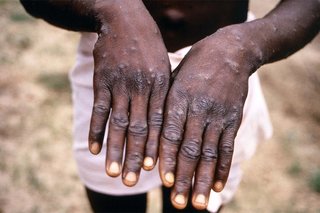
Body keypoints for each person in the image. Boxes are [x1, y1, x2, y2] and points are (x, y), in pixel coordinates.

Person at [20, 0, 319, 212]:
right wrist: (110, 7)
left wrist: (245, 47)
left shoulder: (235, 56)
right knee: (112, 197)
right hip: (117, 55)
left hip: (222, 73)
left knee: (195, 199)